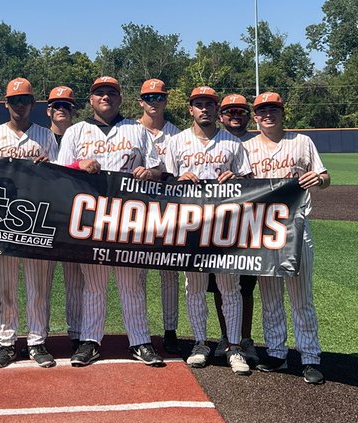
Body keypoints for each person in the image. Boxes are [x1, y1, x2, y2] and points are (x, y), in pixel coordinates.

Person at [58, 75, 165, 367]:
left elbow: (160, 170)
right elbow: (57, 174)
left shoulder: (138, 130)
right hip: (89, 219)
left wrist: (149, 173)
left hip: (129, 219)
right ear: (90, 100)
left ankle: (140, 341)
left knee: (131, 284)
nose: (105, 97)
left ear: (120, 98)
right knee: (93, 285)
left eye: (111, 93)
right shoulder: (76, 132)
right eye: (99, 93)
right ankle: (90, 341)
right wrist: (77, 165)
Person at [164, 87, 252, 375]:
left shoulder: (233, 143)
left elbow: (251, 185)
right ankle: (200, 343)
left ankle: (234, 346)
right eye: (198, 104)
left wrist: (237, 178)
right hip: (189, 225)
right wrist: (178, 179)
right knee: (195, 288)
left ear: (217, 110)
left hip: (226, 225)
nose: (204, 109)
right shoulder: (176, 142)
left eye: (209, 105)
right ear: (190, 109)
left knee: (230, 288)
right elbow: (163, 185)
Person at [244, 91, 329, 385]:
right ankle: (277, 353)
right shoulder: (247, 147)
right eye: (262, 110)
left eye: (273, 109)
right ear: (255, 117)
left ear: (282, 112)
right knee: (270, 297)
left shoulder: (302, 141)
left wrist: (318, 179)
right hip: (263, 232)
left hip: (297, 226)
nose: (268, 114)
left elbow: (326, 177)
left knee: (301, 296)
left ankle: (309, 357)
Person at [0, 77, 60, 367]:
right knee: (4, 286)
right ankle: (6, 342)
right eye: (14, 100)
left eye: (25, 100)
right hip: (2, 220)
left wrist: (49, 168)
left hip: (38, 219)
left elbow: (60, 179)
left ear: (33, 103)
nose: (19, 105)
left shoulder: (46, 136)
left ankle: (37, 340)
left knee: (38, 286)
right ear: (6, 104)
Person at [136, 78, 181, 354]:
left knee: (169, 274)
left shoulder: (177, 134)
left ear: (166, 100)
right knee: (136, 273)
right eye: (149, 97)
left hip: (169, 211)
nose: (154, 102)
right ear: (140, 101)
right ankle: (139, 329)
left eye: (159, 97)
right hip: (137, 211)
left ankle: (170, 330)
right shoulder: (128, 131)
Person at [214, 93, 259, 365]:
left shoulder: (257, 144)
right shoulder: (215, 141)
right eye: (230, 111)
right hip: (218, 224)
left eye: (240, 111)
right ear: (221, 116)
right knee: (220, 286)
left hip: (250, 223)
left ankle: (245, 338)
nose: (235, 115)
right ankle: (225, 336)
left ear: (247, 115)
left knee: (245, 286)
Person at [45, 85, 84, 347]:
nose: (62, 109)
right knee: (41, 281)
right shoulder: (40, 137)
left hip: (73, 218)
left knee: (75, 281)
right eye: (57, 105)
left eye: (66, 106)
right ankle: (39, 334)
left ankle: (77, 333)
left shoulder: (82, 135)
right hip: (44, 217)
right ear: (48, 110)